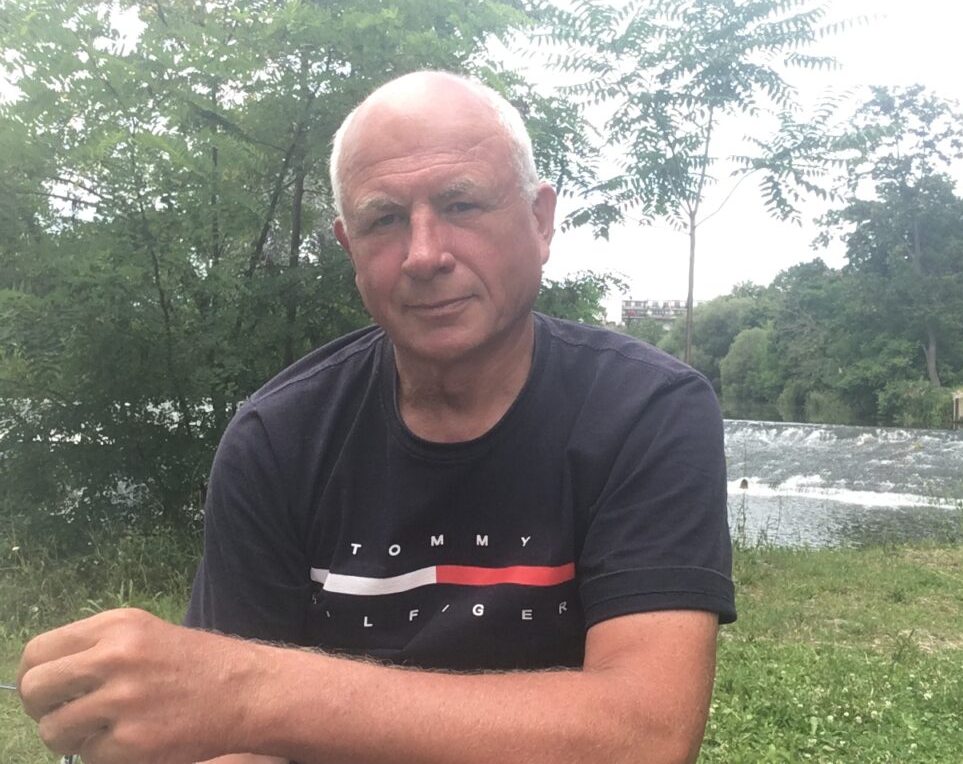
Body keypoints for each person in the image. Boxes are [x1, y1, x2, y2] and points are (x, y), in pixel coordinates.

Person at [18, 70, 735, 764]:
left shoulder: (646, 411)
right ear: (348, 247)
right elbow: (236, 744)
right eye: (384, 219)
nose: (424, 254)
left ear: (540, 221)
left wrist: (249, 689)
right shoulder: (279, 438)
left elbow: (643, 735)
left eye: (462, 204)